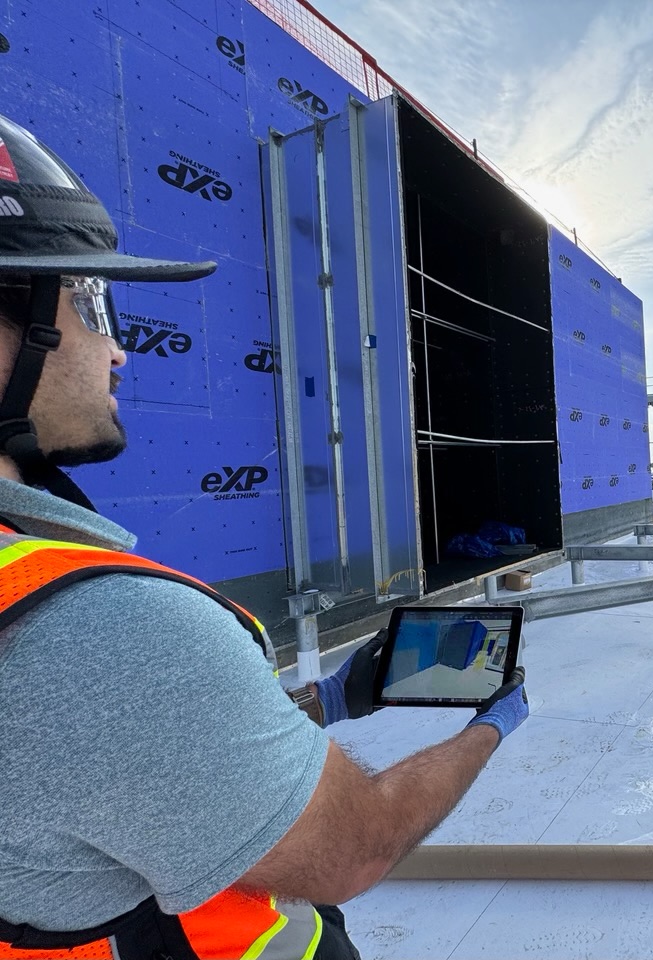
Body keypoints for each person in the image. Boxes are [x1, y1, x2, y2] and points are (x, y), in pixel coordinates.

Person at [0, 113, 529, 960]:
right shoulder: (103, 632)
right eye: (91, 300)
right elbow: (354, 846)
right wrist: (487, 731)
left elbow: (95, 768)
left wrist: (327, 702)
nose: (118, 352)